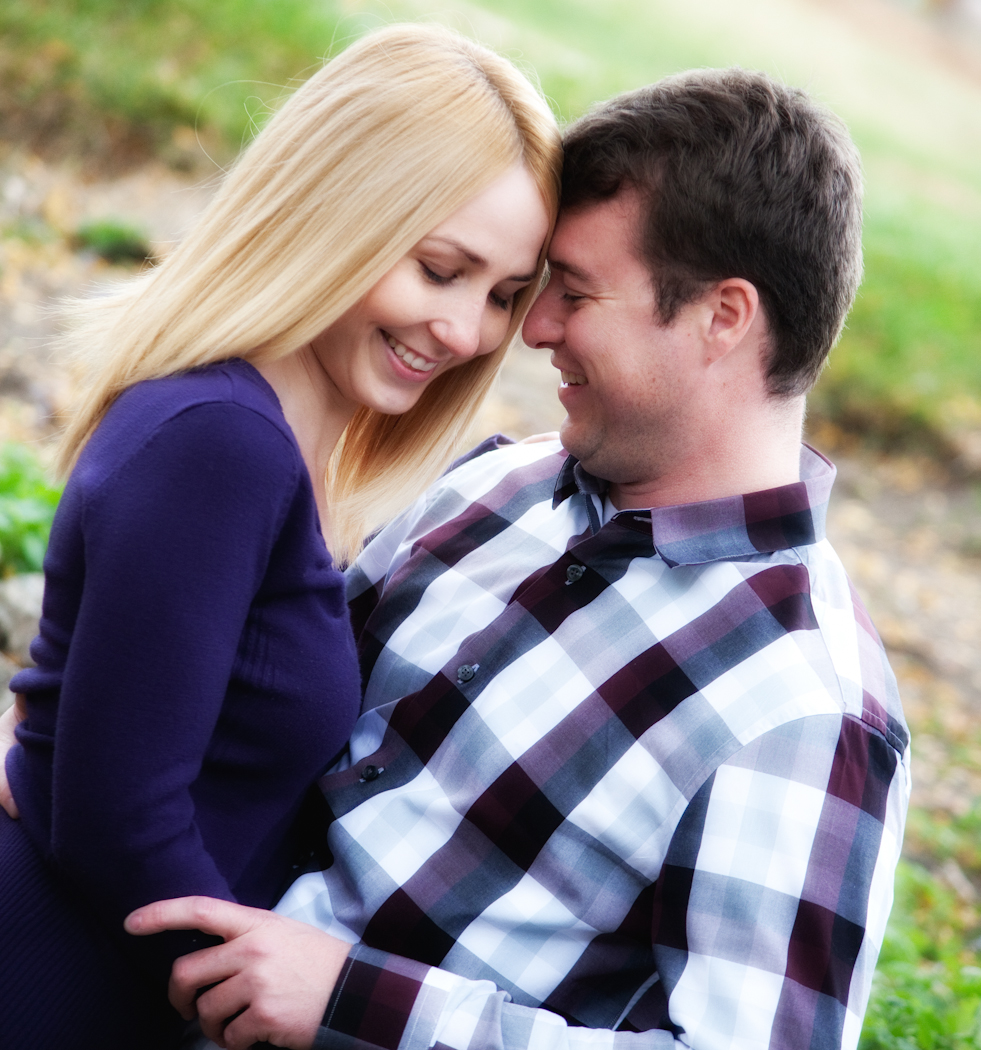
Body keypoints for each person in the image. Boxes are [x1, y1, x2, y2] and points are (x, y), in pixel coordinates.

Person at [132, 70, 907, 1050]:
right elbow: (257, 694)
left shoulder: (806, 710)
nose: (531, 330)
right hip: (155, 966)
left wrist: (357, 1002)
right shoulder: (500, 486)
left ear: (724, 317)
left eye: (573, 294)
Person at [0, 24, 559, 1050]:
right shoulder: (221, 443)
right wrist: (263, 1012)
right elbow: (118, 817)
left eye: (503, 296)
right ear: (336, 212)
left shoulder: (289, 456)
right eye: (440, 269)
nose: (465, 330)